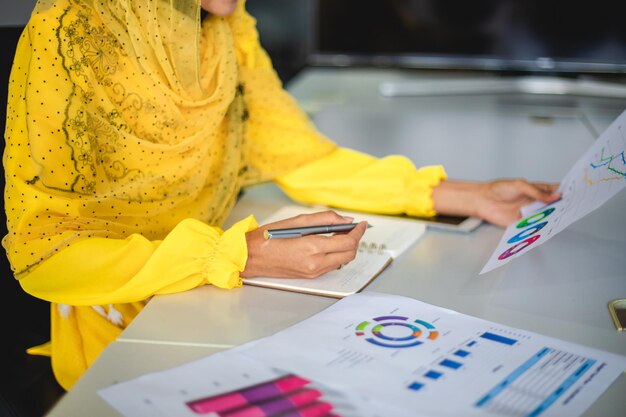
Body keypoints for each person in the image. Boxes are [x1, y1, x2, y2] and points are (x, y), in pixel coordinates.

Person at [3, 0, 558, 390]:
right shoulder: (68, 38)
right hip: (122, 340)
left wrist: (462, 194)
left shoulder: (222, 24)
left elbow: (298, 154)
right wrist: (239, 254)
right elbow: (46, 256)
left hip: (216, 303)